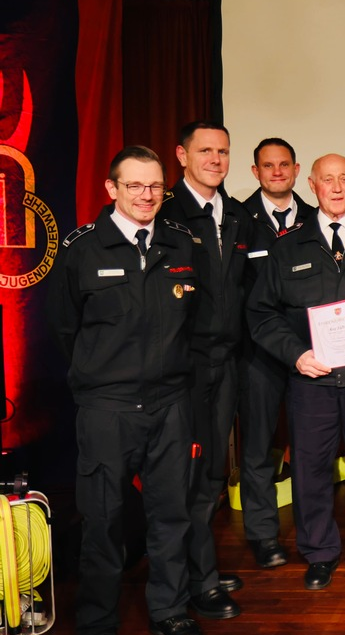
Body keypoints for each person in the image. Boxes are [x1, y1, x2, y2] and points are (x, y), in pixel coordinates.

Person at [48, 146, 203, 635]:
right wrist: (102, 378)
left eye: (155, 186)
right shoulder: (81, 250)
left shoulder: (181, 245)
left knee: (171, 516)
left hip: (171, 406)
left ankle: (171, 611)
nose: (146, 195)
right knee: (102, 521)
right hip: (107, 409)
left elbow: (195, 325)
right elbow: (64, 330)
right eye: (134, 185)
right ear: (112, 189)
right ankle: (97, 620)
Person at [246, 154, 345, 590]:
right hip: (310, 380)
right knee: (311, 471)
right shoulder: (287, 246)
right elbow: (261, 313)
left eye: (344, 179)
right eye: (327, 180)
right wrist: (295, 353)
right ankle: (319, 553)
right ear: (311, 184)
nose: (336, 187)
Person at [159, 121, 253, 621]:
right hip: (184, 369)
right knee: (188, 477)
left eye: (223, 151)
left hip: (228, 363)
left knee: (214, 471)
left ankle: (203, 567)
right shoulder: (165, 214)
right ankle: (196, 582)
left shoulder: (236, 215)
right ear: (181, 155)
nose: (215, 159)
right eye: (205, 151)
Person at [237, 137, 315, 569]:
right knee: (258, 449)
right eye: (268, 166)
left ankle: (312, 532)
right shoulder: (237, 220)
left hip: (309, 352)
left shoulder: (314, 220)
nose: (277, 172)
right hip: (258, 354)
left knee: (307, 448)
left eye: (285, 164)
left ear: (297, 169)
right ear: (256, 173)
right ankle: (264, 535)